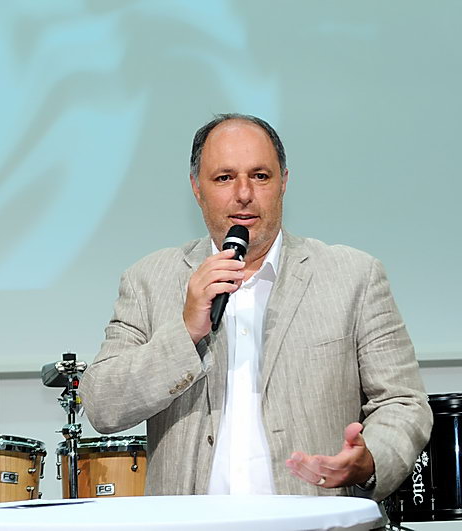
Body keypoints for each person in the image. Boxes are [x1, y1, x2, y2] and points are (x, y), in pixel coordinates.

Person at [79, 114, 432, 502]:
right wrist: (185, 331)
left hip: (316, 521)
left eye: (260, 176)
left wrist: (370, 460)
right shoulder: (148, 280)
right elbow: (103, 406)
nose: (244, 193)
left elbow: (403, 403)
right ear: (197, 188)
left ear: (284, 182)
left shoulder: (354, 276)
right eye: (224, 177)